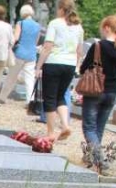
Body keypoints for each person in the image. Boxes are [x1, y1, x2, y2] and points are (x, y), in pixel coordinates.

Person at [79, 15, 116, 172]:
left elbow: (83, 68)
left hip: (95, 90)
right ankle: (92, 158)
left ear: (107, 27)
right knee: (98, 128)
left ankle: (100, 160)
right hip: (112, 92)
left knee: (89, 127)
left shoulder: (98, 46)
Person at [35, 0, 83, 141]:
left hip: (54, 62)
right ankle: (65, 125)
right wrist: (76, 65)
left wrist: (39, 66)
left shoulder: (55, 23)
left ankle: (50, 132)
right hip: (69, 64)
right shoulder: (78, 27)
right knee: (61, 95)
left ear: (61, 9)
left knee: (49, 98)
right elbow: (79, 50)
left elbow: (48, 46)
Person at [0, 5, 41, 105]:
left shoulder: (20, 23)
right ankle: (30, 100)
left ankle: (2, 97)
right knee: (29, 79)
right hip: (31, 54)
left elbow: (16, 38)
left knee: (11, 77)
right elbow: (36, 41)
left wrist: (9, 47)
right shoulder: (38, 26)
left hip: (19, 53)